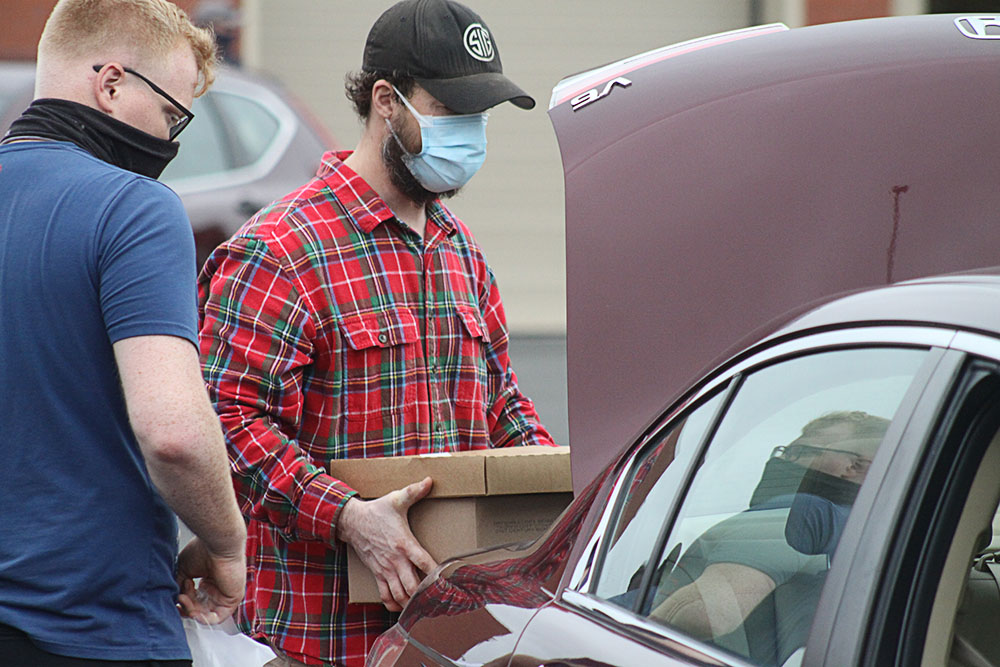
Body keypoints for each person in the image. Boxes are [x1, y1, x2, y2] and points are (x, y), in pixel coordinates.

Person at [197, 0, 555, 664]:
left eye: (481, 117)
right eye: (453, 113)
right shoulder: (281, 251)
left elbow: (501, 403)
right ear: (386, 101)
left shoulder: (460, 250)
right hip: (323, 641)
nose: (472, 135)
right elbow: (227, 422)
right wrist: (349, 518)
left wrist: (564, 493)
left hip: (453, 638)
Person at [0, 1, 247, 664]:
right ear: (110, 83)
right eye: (172, 114)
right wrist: (226, 544)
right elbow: (173, 434)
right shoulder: (134, 209)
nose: (171, 141)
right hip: (92, 629)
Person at [649, 411, 888, 663]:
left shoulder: (799, 512)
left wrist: (628, 641)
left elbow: (706, 613)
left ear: (852, 466)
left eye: (798, 452)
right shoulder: (870, 534)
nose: (782, 461)